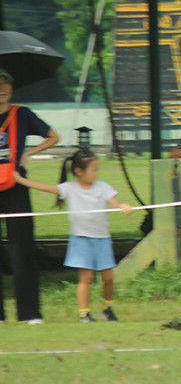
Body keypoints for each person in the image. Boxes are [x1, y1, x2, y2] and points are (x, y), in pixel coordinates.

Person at [13, 150, 133, 322]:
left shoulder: (103, 187)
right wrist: (20, 179)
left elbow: (115, 202)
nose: (96, 173)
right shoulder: (69, 188)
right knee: (87, 278)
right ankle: (84, 314)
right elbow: (45, 187)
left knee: (108, 278)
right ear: (79, 171)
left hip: (102, 239)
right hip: (81, 239)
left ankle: (108, 309)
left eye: (97, 169)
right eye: (93, 169)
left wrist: (123, 206)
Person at [0, 69, 59, 325]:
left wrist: (30, 153)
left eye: (5, 83)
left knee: (23, 249)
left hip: (17, 185)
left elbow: (54, 136)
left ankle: (30, 313)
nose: (1, 88)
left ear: (12, 87)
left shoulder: (21, 114)